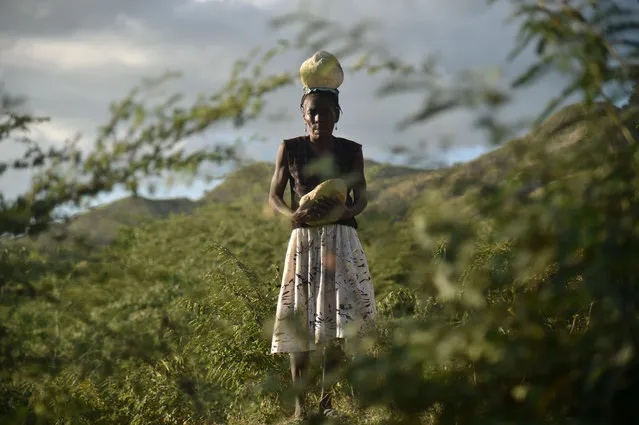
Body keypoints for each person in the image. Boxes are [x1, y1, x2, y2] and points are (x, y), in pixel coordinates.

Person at [268, 51, 377, 421]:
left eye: (325, 112)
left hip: (341, 241)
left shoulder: (351, 151)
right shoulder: (291, 148)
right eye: (312, 112)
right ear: (304, 114)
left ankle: (327, 406)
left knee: (335, 324)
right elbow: (274, 196)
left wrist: (347, 211)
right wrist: (292, 214)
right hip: (305, 242)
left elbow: (361, 196)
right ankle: (301, 410)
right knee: (301, 324)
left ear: (337, 115)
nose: (318, 118)